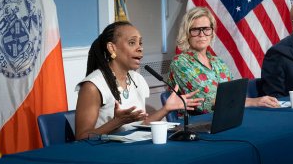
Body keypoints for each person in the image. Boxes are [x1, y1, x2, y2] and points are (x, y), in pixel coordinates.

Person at [75, 21, 203, 140]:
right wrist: (116, 122)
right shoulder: (92, 86)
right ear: (112, 48)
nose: (140, 48)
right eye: (132, 43)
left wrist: (166, 109)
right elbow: (81, 137)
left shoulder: (137, 79)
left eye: (140, 43)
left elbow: (140, 125)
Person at [168, 6, 279, 114]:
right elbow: (204, 104)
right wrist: (254, 101)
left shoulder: (218, 62)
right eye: (195, 30)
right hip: (197, 123)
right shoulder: (180, 63)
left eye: (206, 29)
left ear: (212, 33)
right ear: (187, 34)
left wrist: (252, 102)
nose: (202, 34)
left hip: (228, 117)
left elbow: (234, 94)